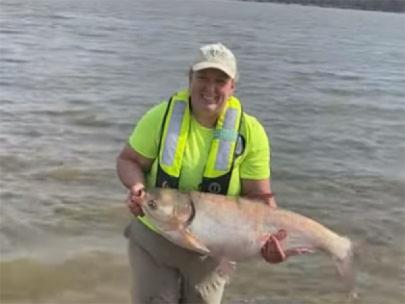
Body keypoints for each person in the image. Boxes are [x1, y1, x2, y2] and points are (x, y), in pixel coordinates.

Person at [116, 42, 290, 304]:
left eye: (220, 80)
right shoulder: (160, 117)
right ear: (190, 78)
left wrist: (273, 239)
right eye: (202, 78)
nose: (210, 88)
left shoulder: (251, 133)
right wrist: (137, 187)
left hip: (212, 251)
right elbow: (128, 160)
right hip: (155, 236)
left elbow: (259, 198)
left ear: (232, 87)